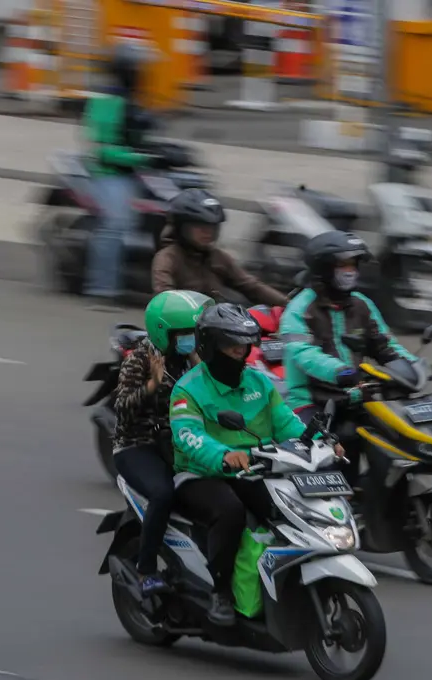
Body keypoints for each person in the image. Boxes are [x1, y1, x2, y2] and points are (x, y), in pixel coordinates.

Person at [169, 303, 342, 627]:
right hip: (201, 474)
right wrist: (223, 454)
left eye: (244, 343)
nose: (239, 350)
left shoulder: (259, 383)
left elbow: (287, 423)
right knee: (230, 511)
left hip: (257, 467)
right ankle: (221, 591)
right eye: (229, 343)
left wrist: (322, 441)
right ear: (209, 346)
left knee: (290, 508)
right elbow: (187, 436)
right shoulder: (188, 388)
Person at [112, 289, 214, 598]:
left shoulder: (188, 358)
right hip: (137, 445)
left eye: (192, 333)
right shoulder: (142, 360)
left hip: (177, 440)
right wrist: (153, 385)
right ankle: (146, 570)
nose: (190, 339)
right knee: (162, 493)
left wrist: (201, 368)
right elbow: (122, 407)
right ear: (165, 333)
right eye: (184, 334)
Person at [278, 231, 416, 449]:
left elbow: (385, 344)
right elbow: (304, 353)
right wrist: (339, 371)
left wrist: (412, 366)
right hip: (311, 401)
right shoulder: (300, 309)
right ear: (323, 268)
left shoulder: (361, 304)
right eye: (343, 265)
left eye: (353, 265)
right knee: (322, 456)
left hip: (357, 396)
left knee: (398, 440)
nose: (350, 271)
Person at [82, 42, 153, 311]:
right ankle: (101, 288)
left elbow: (142, 133)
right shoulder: (105, 101)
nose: (141, 74)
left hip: (134, 173)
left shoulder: (132, 100)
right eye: (137, 69)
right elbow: (103, 151)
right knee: (115, 224)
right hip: (109, 175)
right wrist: (141, 157)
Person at [152, 188, 288, 307]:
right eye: (200, 227)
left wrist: (287, 304)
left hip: (215, 325)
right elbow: (165, 298)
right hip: (182, 329)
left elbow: (251, 286)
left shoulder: (218, 257)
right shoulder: (167, 258)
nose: (208, 233)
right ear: (182, 227)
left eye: (212, 227)